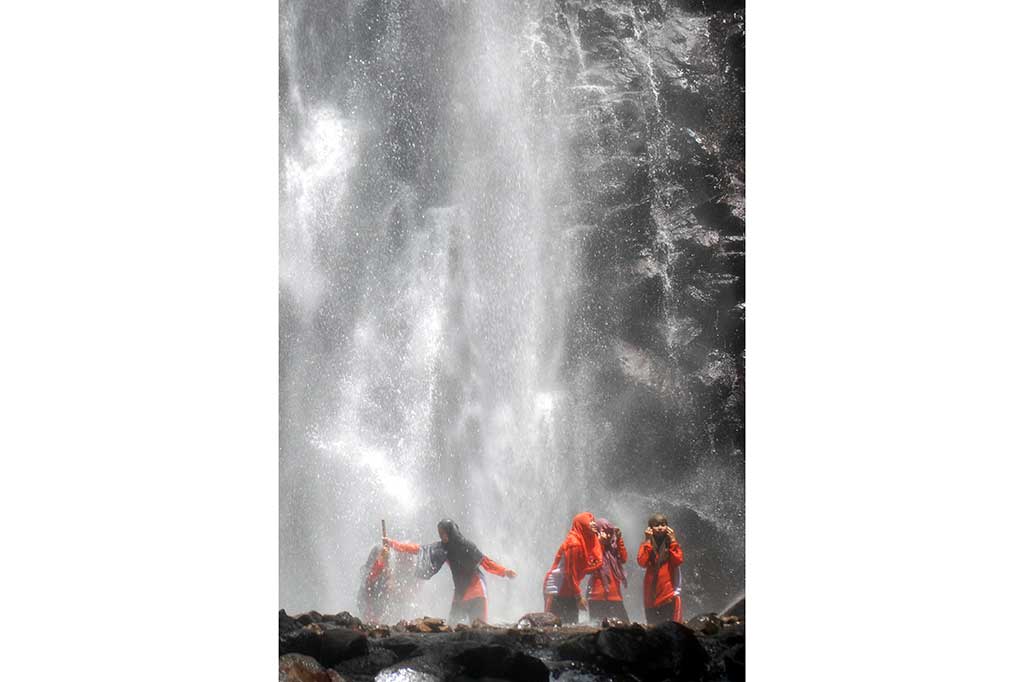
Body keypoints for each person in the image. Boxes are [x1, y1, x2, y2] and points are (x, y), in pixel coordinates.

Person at [384, 519, 516, 624]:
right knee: (451, 626)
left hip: (476, 590)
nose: (442, 536)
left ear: (451, 531)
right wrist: (392, 544)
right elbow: (419, 549)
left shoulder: (467, 546)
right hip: (460, 591)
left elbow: (486, 563)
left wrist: (504, 571)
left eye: (444, 533)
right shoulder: (443, 549)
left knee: (479, 628)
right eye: (440, 534)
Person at [543, 511, 604, 624]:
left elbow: (596, 562)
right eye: (590, 522)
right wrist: (578, 596)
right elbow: (569, 572)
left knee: (571, 622)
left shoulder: (585, 541)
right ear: (582, 524)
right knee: (553, 623)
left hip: (570, 587)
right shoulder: (574, 543)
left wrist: (595, 536)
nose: (593, 524)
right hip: (557, 587)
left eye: (593, 521)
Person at [636, 513, 684, 624]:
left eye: (663, 524)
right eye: (656, 525)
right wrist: (647, 541)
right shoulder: (646, 545)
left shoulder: (671, 544)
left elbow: (678, 560)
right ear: (650, 528)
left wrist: (673, 541)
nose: (660, 528)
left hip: (667, 593)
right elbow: (642, 562)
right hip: (650, 594)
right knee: (653, 627)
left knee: (669, 626)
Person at [585, 518, 630, 623]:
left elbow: (623, 559)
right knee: (599, 630)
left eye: (610, 532)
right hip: (597, 597)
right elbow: (591, 565)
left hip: (615, 596)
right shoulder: (591, 547)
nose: (608, 535)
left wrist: (619, 540)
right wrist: (599, 544)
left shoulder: (613, 548)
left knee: (624, 627)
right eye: (605, 532)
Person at [357, 545, 391, 623]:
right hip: (368, 610)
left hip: (379, 610)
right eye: (381, 555)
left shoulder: (385, 571)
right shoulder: (369, 571)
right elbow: (373, 575)